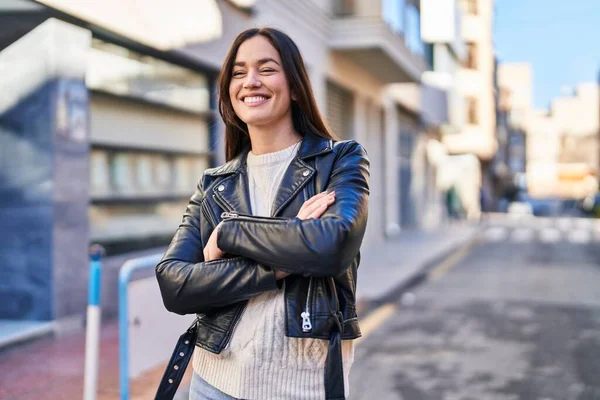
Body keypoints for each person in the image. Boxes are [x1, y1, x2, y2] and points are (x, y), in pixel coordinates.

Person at [155, 27, 370, 400]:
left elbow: (332, 246)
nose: (250, 81)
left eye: (266, 69)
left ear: (296, 85)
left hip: (302, 387)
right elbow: (175, 284)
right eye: (238, 73)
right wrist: (285, 255)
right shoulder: (215, 184)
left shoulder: (338, 160)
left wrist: (229, 234)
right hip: (212, 385)